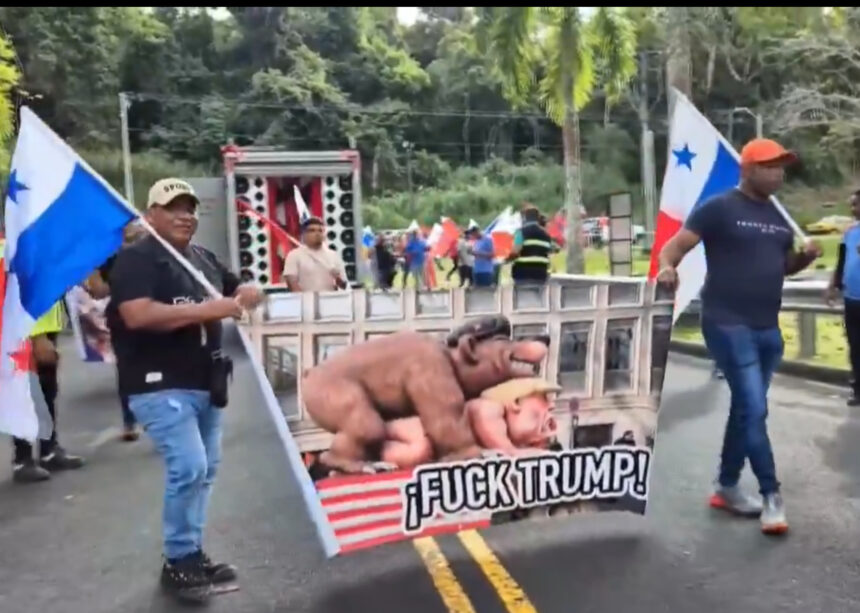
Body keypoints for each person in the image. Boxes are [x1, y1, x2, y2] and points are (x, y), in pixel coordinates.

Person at [106, 178, 265, 604]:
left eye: (190, 207)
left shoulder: (202, 259)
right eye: (173, 206)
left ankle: (189, 555)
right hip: (157, 383)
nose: (185, 215)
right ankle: (179, 561)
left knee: (205, 471)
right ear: (151, 213)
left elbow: (240, 290)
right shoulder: (137, 259)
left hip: (204, 382)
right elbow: (137, 315)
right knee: (190, 467)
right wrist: (211, 309)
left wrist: (251, 291)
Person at [657, 138, 821, 535]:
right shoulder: (719, 208)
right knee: (755, 409)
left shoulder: (780, 217)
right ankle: (771, 495)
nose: (778, 173)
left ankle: (726, 486)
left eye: (782, 166)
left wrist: (805, 258)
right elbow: (673, 248)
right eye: (769, 166)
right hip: (727, 324)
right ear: (747, 170)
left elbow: (781, 269)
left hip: (767, 327)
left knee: (748, 409)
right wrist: (667, 269)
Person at [85, 221, 148, 441]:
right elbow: (98, 292)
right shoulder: (106, 253)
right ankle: (130, 422)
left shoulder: (152, 246)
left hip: (154, 314)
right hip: (122, 317)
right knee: (128, 369)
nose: (131, 231)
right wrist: (92, 271)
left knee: (158, 364)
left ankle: (157, 417)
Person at [11, 302, 86, 484]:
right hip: (26, 329)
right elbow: (19, 290)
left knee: (47, 390)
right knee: (25, 390)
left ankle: (48, 450)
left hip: (44, 323)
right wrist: (37, 335)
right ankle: (23, 459)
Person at [826, 189, 860, 406]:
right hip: (852, 299)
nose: (853, 208)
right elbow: (841, 262)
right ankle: (857, 389)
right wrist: (833, 286)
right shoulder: (850, 232)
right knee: (855, 346)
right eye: (852, 205)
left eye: (856, 204)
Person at [283, 217, 348, 293]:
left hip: (330, 301)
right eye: (312, 230)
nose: (317, 234)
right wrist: (305, 301)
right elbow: (292, 283)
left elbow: (344, 286)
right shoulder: (294, 255)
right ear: (304, 234)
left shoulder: (333, 255)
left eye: (320, 231)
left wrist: (338, 278)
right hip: (305, 301)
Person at [509, 206, 552, 286]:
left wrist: (507, 259)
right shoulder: (546, 235)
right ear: (538, 218)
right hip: (541, 273)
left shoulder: (521, 232)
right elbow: (548, 253)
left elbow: (515, 251)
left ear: (524, 218)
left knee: (523, 297)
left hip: (523, 273)